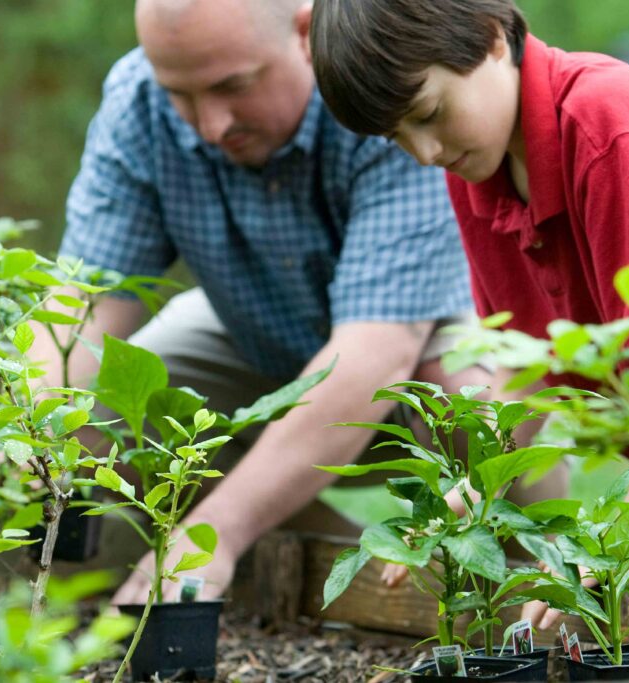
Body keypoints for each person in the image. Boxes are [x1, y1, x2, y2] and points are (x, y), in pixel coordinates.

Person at [29, 0, 501, 605]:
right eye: (182, 94)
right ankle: (94, 604)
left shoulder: (378, 88)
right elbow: (86, 305)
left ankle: (545, 599)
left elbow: (373, 355)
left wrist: (213, 537)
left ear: (306, 32)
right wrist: (29, 429)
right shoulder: (138, 101)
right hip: (247, 326)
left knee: (474, 410)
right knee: (102, 411)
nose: (210, 124)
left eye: (233, 86)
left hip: (417, 328)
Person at [309, 0, 629, 608]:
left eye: (428, 113)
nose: (424, 152)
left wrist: (612, 544)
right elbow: (527, 363)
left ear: (491, 38)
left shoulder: (605, 119)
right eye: (397, 137)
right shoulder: (479, 170)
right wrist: (472, 494)